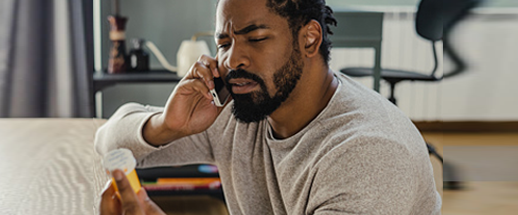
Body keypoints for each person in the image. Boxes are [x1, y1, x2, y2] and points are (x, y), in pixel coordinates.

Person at [96, 0, 442, 214]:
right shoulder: (243, 109)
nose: (233, 59)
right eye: (224, 42)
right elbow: (108, 143)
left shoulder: (368, 154)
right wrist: (166, 125)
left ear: (310, 38)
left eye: (256, 38)